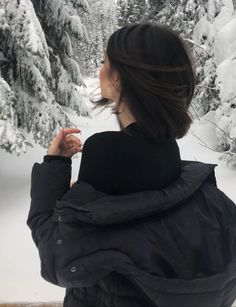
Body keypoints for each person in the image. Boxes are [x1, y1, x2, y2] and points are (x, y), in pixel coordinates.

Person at [27, 22, 236, 307]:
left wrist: (55, 167)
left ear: (121, 80)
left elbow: (57, 257)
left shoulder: (105, 159)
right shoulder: (206, 196)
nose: (100, 69)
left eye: (104, 63)